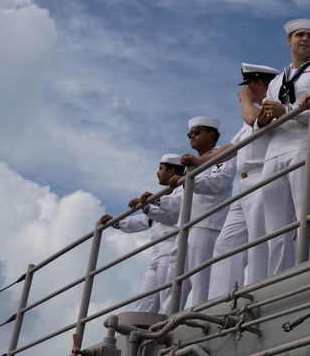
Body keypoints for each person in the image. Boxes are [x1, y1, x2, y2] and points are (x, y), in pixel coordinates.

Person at [258, 20, 310, 274]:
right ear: (288, 41)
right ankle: (277, 278)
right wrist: (263, 121)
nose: (304, 39)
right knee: (275, 226)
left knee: (307, 215)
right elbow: (267, 120)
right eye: (299, 35)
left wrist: (287, 111)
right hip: (274, 151)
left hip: (302, 146)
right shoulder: (276, 81)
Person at [199, 64, 279, 298]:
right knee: (226, 245)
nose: (242, 91)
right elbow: (229, 148)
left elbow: (256, 121)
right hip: (244, 187)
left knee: (257, 243)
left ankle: (257, 292)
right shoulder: (248, 117)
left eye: (246, 86)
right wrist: (196, 163)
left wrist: (246, 101)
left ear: (258, 84)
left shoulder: (265, 109)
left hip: (262, 180)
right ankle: (220, 298)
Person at [144, 116, 235, 308]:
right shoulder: (191, 167)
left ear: (211, 135)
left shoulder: (220, 155)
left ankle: (203, 320)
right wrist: (155, 200)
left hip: (205, 224)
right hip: (184, 227)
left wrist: (189, 180)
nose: (191, 136)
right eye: (189, 134)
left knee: (201, 281)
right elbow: (180, 200)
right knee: (173, 283)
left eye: (196, 132)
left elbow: (220, 182)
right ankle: (167, 323)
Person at [99, 153, 184, 314]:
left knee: (168, 300)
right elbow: (144, 221)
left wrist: (148, 205)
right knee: (144, 305)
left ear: (172, 171)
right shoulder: (163, 195)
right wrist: (116, 222)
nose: (157, 172)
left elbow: (172, 217)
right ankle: (140, 335)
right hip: (156, 253)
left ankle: (170, 332)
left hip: (170, 250)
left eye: (161, 168)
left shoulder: (183, 188)